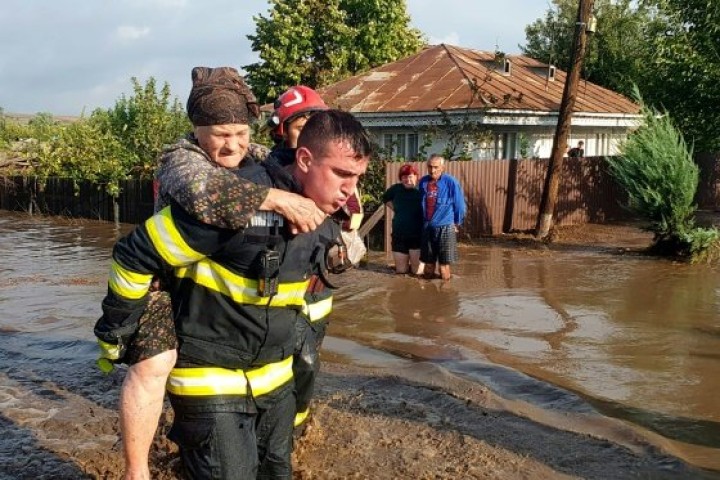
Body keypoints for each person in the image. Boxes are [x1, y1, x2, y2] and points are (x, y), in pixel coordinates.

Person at [95, 108, 373, 478]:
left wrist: (341, 255)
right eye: (342, 174)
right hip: (210, 378)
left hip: (274, 379)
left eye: (357, 177)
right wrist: (118, 330)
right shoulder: (234, 204)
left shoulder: (328, 211)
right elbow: (134, 254)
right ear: (305, 159)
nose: (350, 191)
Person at [418, 154, 466, 281]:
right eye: (430, 167)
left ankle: (446, 296)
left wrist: (457, 223)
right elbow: (420, 204)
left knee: (443, 267)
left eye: (435, 167)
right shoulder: (423, 182)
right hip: (428, 228)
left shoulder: (451, 182)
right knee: (428, 266)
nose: (432, 170)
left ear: (442, 168)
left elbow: (460, 205)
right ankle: (428, 295)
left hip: (445, 227)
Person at [381, 163, 424, 275]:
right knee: (401, 272)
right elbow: (385, 198)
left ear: (416, 176)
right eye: (404, 177)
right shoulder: (396, 189)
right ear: (401, 178)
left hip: (418, 236)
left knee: (417, 272)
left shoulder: (422, 189)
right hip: (399, 235)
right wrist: (396, 209)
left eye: (410, 176)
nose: (407, 179)